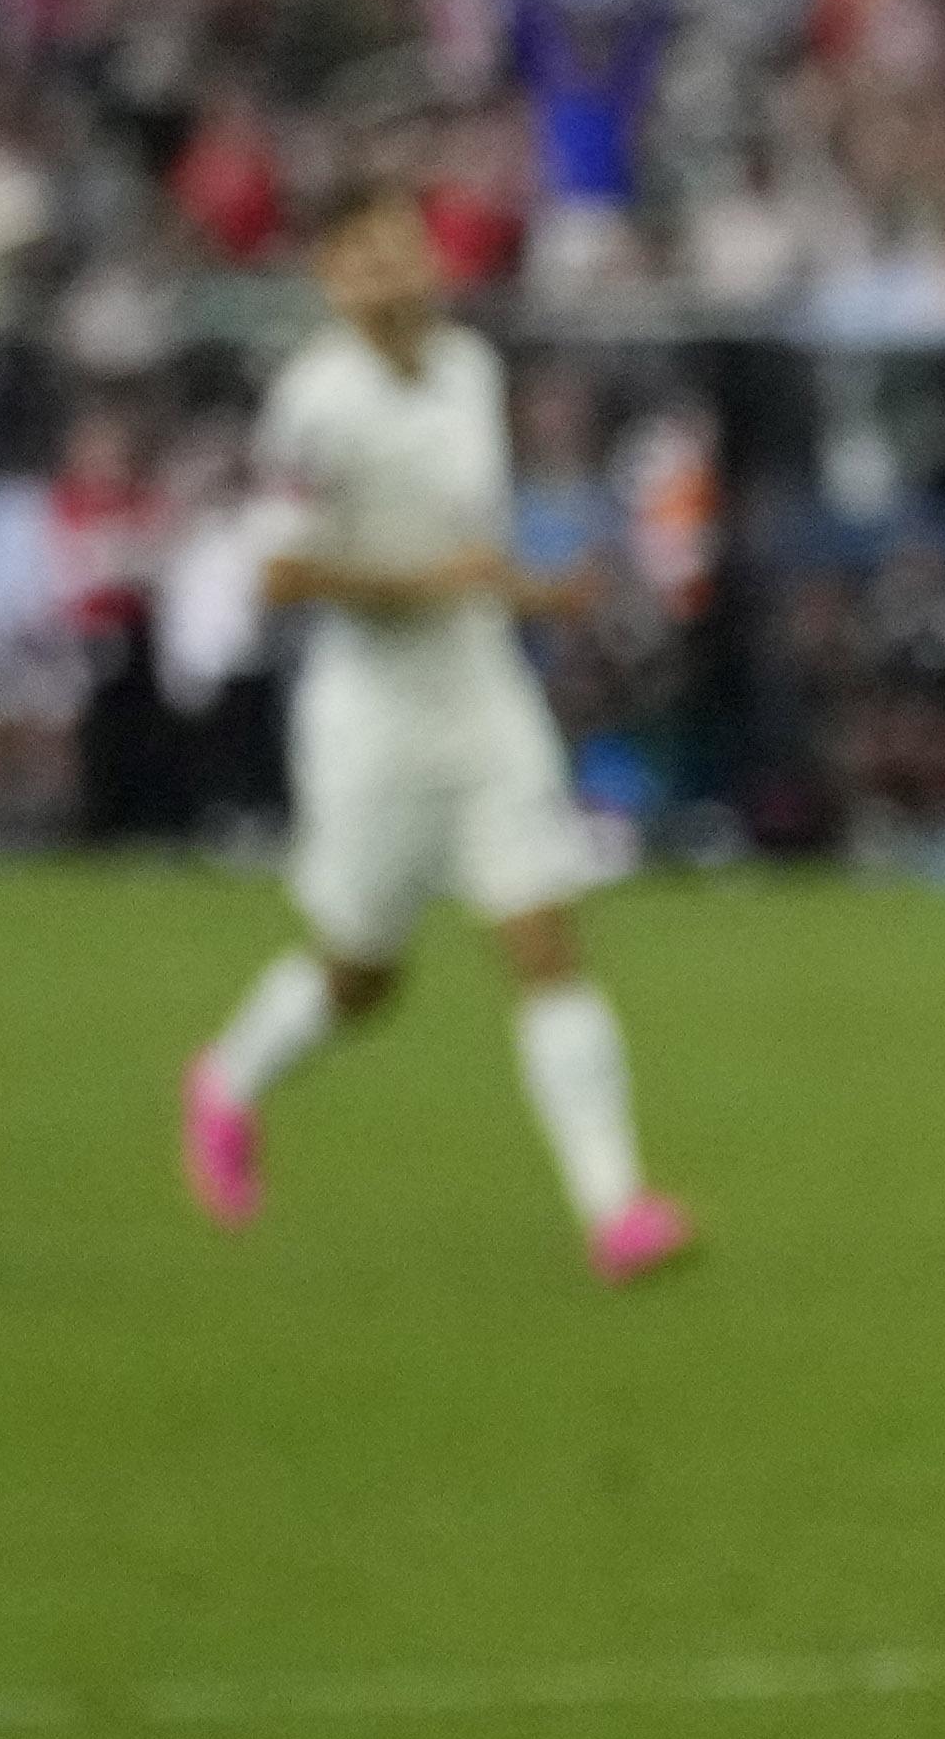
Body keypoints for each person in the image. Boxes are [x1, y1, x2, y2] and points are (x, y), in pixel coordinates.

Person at [173, 196, 694, 1280]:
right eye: (363, 258)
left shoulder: (468, 371)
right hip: (373, 714)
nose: (391, 273)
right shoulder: (314, 405)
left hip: (482, 692)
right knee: (363, 975)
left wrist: (539, 595)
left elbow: (470, 546)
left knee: (545, 940)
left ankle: (617, 1208)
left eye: (402, 250)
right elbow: (280, 572)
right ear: (332, 280)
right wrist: (424, 584)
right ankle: (225, 1082)